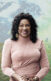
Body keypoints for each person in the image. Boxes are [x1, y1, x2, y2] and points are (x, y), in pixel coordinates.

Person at [1, 12, 50, 81]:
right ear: (16, 27)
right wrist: (18, 78)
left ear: (31, 27)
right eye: (21, 25)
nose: (24, 28)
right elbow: (5, 67)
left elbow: (46, 67)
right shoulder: (9, 43)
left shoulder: (39, 42)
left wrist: (35, 78)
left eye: (27, 25)